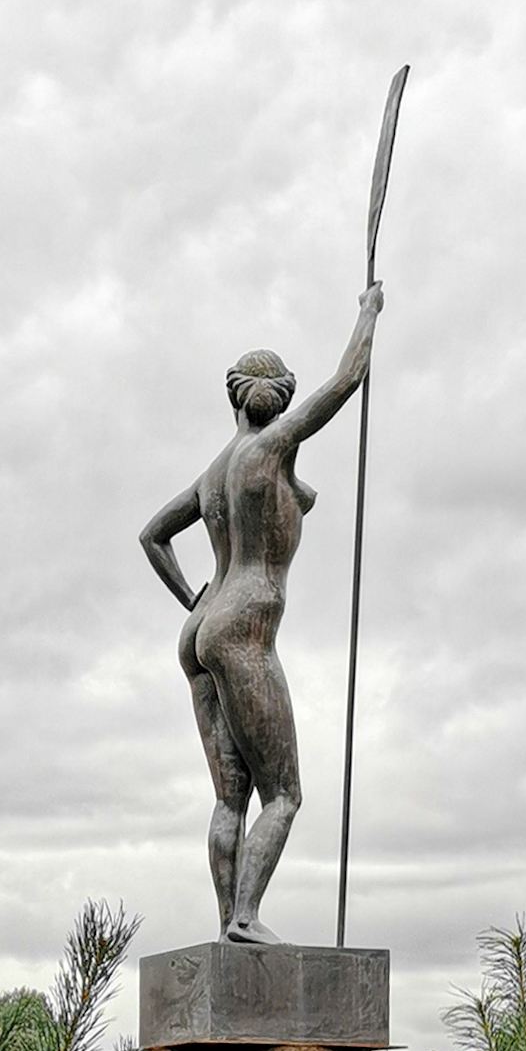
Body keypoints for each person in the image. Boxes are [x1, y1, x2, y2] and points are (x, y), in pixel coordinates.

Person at [140, 283, 384, 942]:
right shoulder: (271, 447)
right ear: (280, 400)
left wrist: (194, 596)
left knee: (229, 798)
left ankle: (229, 930)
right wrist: (368, 311)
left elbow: (152, 535)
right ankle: (244, 918)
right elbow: (348, 379)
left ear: (233, 395)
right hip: (246, 625)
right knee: (284, 794)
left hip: (201, 628)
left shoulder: (215, 471)